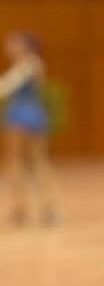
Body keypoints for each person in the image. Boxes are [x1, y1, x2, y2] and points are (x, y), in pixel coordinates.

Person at [1, 31, 59, 226]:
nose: (9, 47)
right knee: (37, 161)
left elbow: (5, 87)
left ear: (26, 46)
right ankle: (43, 209)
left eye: (14, 43)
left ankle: (24, 209)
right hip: (36, 115)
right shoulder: (34, 64)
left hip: (20, 115)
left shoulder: (28, 64)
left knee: (17, 161)